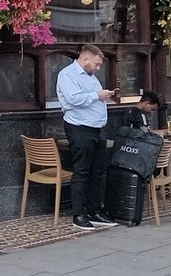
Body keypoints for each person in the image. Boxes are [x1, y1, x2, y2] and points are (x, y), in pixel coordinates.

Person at [56, 43, 118, 231]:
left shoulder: (91, 77)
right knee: (82, 171)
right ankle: (78, 214)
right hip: (79, 128)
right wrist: (97, 95)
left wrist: (103, 97)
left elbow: (93, 97)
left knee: (97, 171)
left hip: (95, 129)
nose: (98, 68)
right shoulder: (67, 75)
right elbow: (74, 99)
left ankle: (94, 211)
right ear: (85, 59)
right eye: (96, 64)